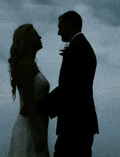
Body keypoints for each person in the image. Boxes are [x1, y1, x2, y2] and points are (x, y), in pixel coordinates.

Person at [40, 11, 98, 157]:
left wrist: (40, 106)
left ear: (70, 25)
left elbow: (69, 88)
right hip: (80, 123)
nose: (58, 32)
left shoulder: (78, 49)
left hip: (75, 124)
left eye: (60, 27)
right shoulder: (80, 46)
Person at [8, 23, 50, 157]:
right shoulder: (25, 65)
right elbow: (29, 101)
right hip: (30, 128)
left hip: (36, 125)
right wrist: (38, 134)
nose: (40, 37)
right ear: (27, 40)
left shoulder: (30, 64)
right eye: (35, 34)